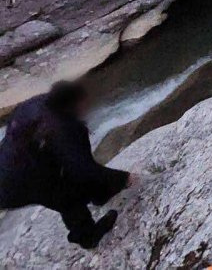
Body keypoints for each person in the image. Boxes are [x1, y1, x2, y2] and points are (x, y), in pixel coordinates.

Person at [0, 83, 135, 248]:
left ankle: (99, 194)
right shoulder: (64, 128)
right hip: (15, 183)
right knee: (67, 196)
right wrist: (123, 178)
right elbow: (83, 168)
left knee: (63, 180)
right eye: (84, 102)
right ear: (74, 103)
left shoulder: (33, 105)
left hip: (9, 164)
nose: (88, 105)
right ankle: (88, 237)